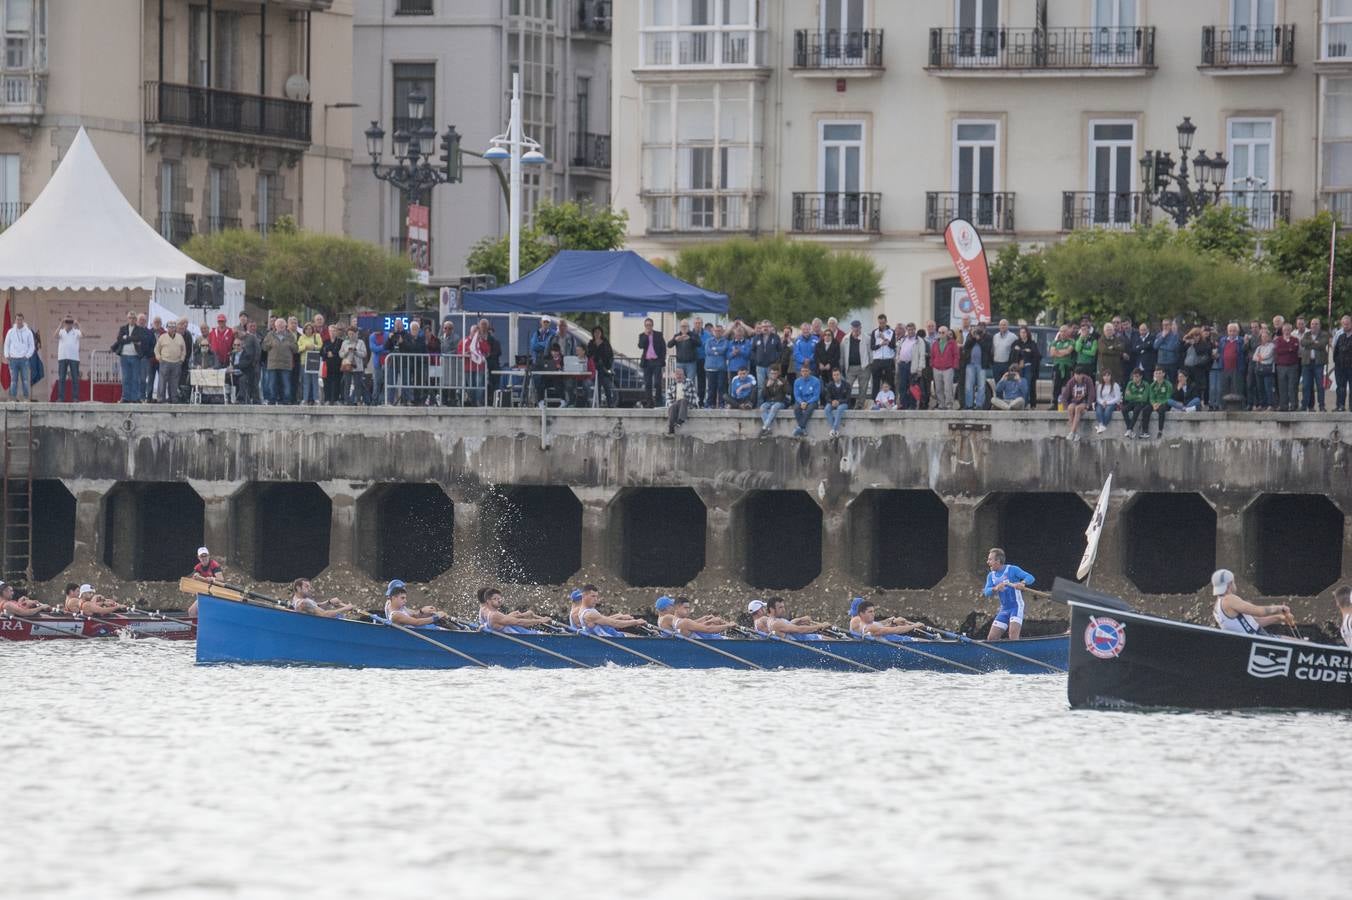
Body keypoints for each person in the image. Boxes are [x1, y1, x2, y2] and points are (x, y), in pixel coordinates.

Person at [1211, 569, 1293, 636]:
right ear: (1230, 584)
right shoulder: (1229, 599)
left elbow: (1254, 623)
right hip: (1258, 639)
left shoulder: (1217, 605)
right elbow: (1259, 611)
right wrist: (1280, 608)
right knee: (1301, 643)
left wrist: (1278, 617)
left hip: (1256, 637)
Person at [982, 547, 1034, 641]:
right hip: (1004, 609)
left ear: (998, 561)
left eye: (990, 559)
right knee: (991, 638)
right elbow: (986, 592)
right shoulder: (991, 576)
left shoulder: (1012, 570)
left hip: (1016, 607)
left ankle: (1016, 654)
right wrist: (995, 588)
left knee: (1013, 636)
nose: (987, 562)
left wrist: (1022, 583)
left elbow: (1030, 577)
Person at [576, 584, 645, 637]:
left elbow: (603, 620)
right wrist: (636, 622)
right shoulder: (589, 614)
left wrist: (620, 616)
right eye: (593, 596)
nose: (596, 599)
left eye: (597, 596)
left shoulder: (587, 610)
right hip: (614, 640)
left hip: (615, 635)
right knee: (642, 639)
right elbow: (615, 623)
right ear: (584, 596)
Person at [478, 586, 550, 633]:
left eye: (499, 598)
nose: (499, 601)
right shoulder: (492, 614)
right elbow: (519, 622)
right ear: (487, 600)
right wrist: (541, 620)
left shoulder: (489, 612)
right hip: (521, 639)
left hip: (518, 634)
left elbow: (503, 620)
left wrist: (519, 615)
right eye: (495, 598)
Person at [654, 595, 732, 638]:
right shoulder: (668, 617)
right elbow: (686, 624)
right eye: (673, 605)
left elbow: (686, 625)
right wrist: (727, 625)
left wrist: (703, 619)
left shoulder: (660, 619)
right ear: (667, 608)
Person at [848, 599, 925, 641]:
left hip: (892, 638)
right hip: (894, 641)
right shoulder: (856, 621)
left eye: (873, 611)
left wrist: (892, 622)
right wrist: (914, 626)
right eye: (870, 612)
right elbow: (894, 630)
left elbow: (878, 626)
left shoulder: (866, 624)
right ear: (861, 613)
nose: (873, 614)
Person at [763, 597, 829, 640]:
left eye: (783, 607)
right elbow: (800, 629)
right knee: (835, 641)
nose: (784, 610)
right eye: (780, 608)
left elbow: (788, 625)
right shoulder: (775, 623)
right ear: (771, 609)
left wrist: (800, 620)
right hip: (808, 643)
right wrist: (820, 626)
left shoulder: (771, 620)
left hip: (808, 638)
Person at [1300, 317, 1330, 412]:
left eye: (1316, 324)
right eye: (1313, 324)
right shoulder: (1307, 334)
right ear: (1310, 325)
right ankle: (1304, 405)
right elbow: (1303, 343)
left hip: (1318, 363)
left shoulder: (1324, 334)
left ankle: (1321, 406)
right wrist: (1313, 342)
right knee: (1306, 385)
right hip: (1307, 363)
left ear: (1319, 325)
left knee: (1320, 386)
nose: (1314, 326)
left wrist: (1310, 344)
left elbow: (1322, 345)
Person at [154, 320, 187, 403]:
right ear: (167, 328)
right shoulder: (162, 337)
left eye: (173, 327)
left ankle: (173, 399)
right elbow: (156, 349)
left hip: (176, 363)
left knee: (174, 382)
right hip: (164, 362)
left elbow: (184, 350)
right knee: (162, 382)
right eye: (170, 327)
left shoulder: (180, 337)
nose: (171, 329)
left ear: (175, 328)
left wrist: (181, 359)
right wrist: (159, 358)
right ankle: (161, 399)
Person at [4, 312, 35, 400]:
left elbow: (32, 346)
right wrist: (7, 355)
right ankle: (13, 398)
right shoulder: (10, 332)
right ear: (15, 320)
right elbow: (6, 344)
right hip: (13, 359)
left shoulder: (28, 332)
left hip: (24, 360)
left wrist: (27, 356)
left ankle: (26, 398)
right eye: (17, 319)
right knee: (13, 381)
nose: (19, 321)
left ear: (23, 320)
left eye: (20, 319)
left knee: (25, 380)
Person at [638, 317, 667, 409]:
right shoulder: (642, 335)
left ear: (652, 325)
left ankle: (658, 402)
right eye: (647, 325)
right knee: (648, 384)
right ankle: (649, 403)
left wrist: (662, 360)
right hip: (647, 362)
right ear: (645, 326)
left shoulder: (658, 334)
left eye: (650, 325)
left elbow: (663, 347)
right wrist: (646, 336)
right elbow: (641, 345)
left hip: (657, 362)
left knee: (658, 383)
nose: (648, 327)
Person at [1059, 367, 1094, 441]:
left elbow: (1092, 394)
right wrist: (1066, 407)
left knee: (1077, 409)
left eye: (1079, 375)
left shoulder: (1088, 380)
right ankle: (1075, 433)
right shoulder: (1071, 382)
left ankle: (1072, 432)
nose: (1077, 377)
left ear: (1082, 375)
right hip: (1074, 401)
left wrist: (1088, 405)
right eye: (1076, 375)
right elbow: (1064, 396)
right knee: (1070, 408)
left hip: (1084, 402)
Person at [1139, 367, 1174, 439]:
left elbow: (1168, 397)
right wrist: (1153, 404)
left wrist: (1159, 403)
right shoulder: (1152, 385)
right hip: (1155, 404)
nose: (1158, 375)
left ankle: (1160, 430)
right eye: (1156, 373)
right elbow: (1151, 397)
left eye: (1160, 373)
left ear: (1163, 374)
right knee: (1145, 410)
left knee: (1162, 410)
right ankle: (1145, 431)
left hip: (1164, 403)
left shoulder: (1168, 384)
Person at [290, 578, 354, 618]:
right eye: (306, 587)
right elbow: (324, 614)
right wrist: (345, 608)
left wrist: (329, 602)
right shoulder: (303, 603)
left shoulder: (299, 599)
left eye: (310, 587)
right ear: (298, 588)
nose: (310, 589)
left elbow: (316, 606)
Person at [586, 326, 616, 408]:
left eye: (599, 332)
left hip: (604, 368)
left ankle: (610, 403)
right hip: (595, 367)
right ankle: (597, 403)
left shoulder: (605, 342)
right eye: (595, 332)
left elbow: (610, 355)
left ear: (601, 333)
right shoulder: (591, 343)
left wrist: (609, 366)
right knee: (597, 386)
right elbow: (588, 354)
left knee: (607, 386)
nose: (597, 334)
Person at [931, 325, 960, 409]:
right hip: (936, 368)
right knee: (939, 388)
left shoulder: (952, 343)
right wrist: (932, 364)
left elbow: (956, 355)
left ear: (947, 333)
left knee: (948, 388)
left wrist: (954, 365)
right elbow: (932, 355)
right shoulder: (935, 343)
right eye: (939, 332)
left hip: (948, 368)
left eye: (943, 332)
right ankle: (941, 404)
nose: (941, 334)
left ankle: (949, 404)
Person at [54, 315, 82, 402]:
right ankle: (61, 398)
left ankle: (75, 398)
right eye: (67, 322)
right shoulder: (61, 331)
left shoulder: (76, 331)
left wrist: (78, 324)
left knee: (75, 379)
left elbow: (84, 334)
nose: (69, 324)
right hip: (62, 357)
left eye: (70, 322)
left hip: (74, 358)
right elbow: (55, 335)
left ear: (73, 323)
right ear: (64, 323)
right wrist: (60, 324)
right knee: (62, 378)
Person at [1274, 322, 1301, 412]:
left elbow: (1295, 349)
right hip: (1281, 366)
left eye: (1288, 330)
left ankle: (1294, 405)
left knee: (1292, 387)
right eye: (1285, 330)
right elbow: (1278, 350)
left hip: (1293, 366)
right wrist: (1288, 349)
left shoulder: (1295, 339)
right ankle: (1283, 405)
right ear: (1282, 330)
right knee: (1282, 387)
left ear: (1291, 330)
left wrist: (1287, 349)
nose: (1287, 331)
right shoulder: (1278, 340)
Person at [665, 366, 699, 435]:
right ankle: (671, 428)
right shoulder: (671, 385)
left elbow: (694, 396)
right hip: (676, 404)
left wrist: (694, 405)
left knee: (683, 400)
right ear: (675, 375)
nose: (679, 376)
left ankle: (680, 420)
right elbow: (668, 398)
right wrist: (671, 404)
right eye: (677, 374)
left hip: (687, 403)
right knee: (672, 406)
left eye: (680, 374)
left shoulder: (689, 382)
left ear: (683, 375)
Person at [703, 323, 730, 409]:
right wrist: (717, 351)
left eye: (719, 331)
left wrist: (714, 349)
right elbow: (707, 351)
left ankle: (721, 404)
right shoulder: (708, 341)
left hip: (721, 368)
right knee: (711, 387)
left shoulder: (725, 341)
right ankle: (711, 403)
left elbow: (724, 350)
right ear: (713, 332)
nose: (717, 332)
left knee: (721, 387)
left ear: (722, 332)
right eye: (716, 331)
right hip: (710, 368)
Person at [792, 362, 821, 438]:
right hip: (801, 401)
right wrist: (801, 402)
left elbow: (816, 396)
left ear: (809, 371)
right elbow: (796, 395)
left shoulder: (816, 381)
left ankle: (799, 427)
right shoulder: (797, 381)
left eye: (806, 371)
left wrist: (807, 403)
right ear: (800, 372)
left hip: (812, 401)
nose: (804, 373)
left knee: (810, 408)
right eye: (803, 371)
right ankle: (803, 429)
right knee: (796, 408)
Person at [759, 364, 787, 434]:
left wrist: (782, 386)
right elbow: (763, 396)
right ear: (769, 374)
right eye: (772, 373)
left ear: (778, 373)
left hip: (780, 402)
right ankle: (768, 428)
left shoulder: (783, 380)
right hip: (769, 401)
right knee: (762, 407)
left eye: (775, 373)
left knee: (774, 407)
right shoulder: (766, 381)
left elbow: (789, 392)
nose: (774, 375)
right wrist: (767, 387)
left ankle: (764, 427)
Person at [822, 367, 850, 437]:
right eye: (834, 375)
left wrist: (839, 402)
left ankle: (833, 429)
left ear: (840, 375)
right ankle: (835, 430)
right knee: (827, 409)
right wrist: (832, 401)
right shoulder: (829, 385)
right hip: (832, 403)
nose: (836, 376)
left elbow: (848, 398)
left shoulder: (847, 385)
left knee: (840, 408)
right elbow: (827, 397)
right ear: (832, 376)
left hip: (843, 403)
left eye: (837, 374)